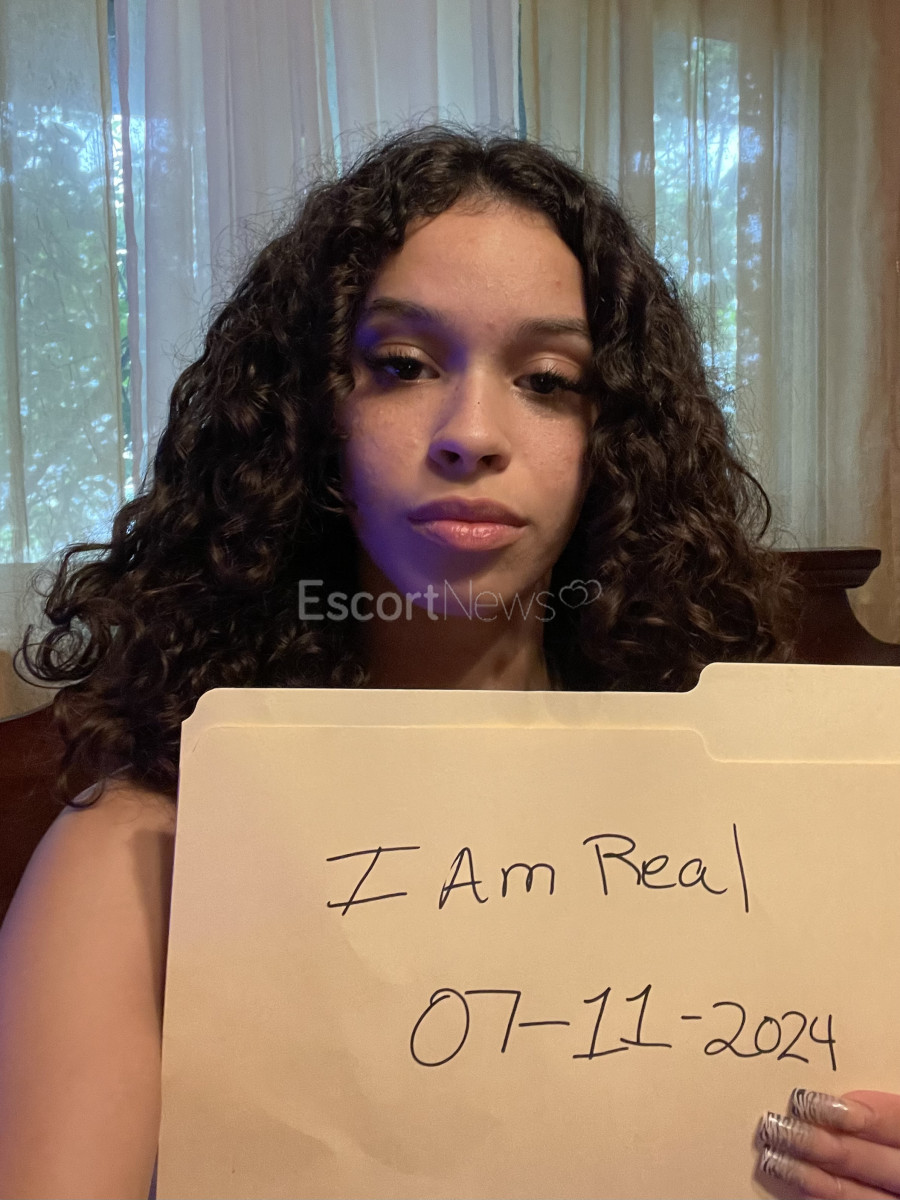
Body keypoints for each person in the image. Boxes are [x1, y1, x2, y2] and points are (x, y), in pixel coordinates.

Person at [0, 124, 894, 1200]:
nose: (472, 433)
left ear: (615, 440)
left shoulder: (773, 824)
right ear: (313, 415)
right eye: (403, 366)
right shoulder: (145, 851)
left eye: (549, 379)